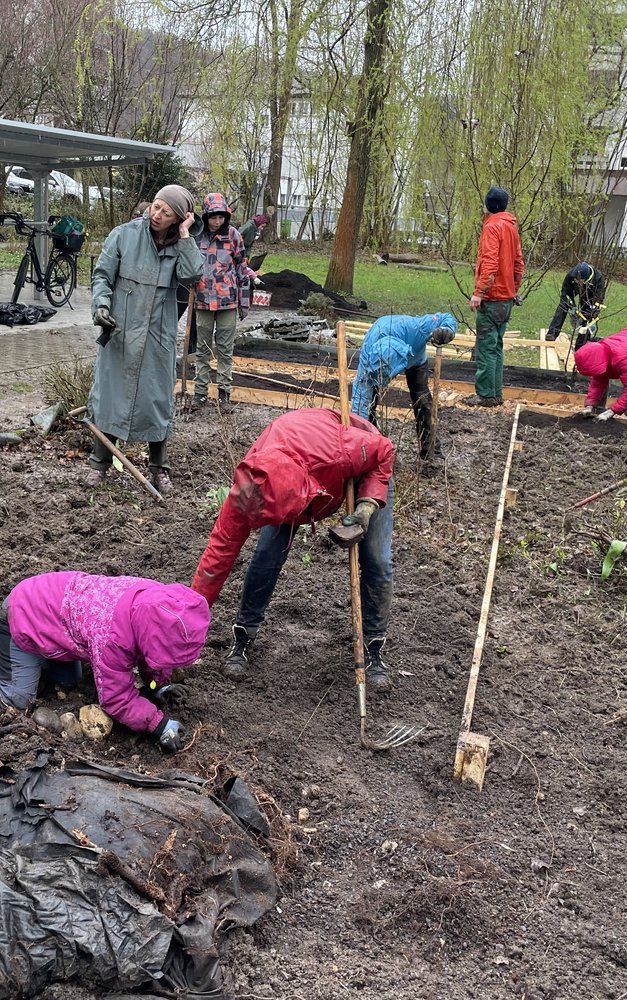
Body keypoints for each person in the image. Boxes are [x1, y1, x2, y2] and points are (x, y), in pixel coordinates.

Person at [191, 407, 396, 688]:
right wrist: (189, 616)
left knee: (377, 560)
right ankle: (244, 634)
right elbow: (219, 553)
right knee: (267, 554)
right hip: (292, 472)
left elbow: (384, 450)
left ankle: (373, 646)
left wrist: (367, 506)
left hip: (365, 465)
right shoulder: (252, 485)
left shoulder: (339, 451)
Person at [0, 573, 208, 752]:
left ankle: (1, 641)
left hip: (53, 611)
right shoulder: (111, 637)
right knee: (16, 699)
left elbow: (152, 652)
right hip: (25, 613)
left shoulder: (152, 600)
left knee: (69, 680)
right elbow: (115, 699)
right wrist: (157, 724)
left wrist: (156, 684)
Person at [88, 184, 202, 494]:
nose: (157, 214)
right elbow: (102, 276)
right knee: (109, 397)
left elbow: (192, 275)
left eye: (167, 213)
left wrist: (185, 235)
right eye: (156, 206)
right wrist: (101, 306)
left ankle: (159, 469)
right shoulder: (123, 235)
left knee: (157, 401)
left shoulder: (180, 245)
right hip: (121, 332)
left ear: (179, 219)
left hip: (158, 337)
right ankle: (99, 465)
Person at [350, 311, 457, 464]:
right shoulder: (368, 360)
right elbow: (359, 400)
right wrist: (357, 432)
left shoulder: (416, 328)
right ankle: (370, 448)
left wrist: (447, 330)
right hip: (376, 361)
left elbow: (445, 318)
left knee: (423, 401)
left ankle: (431, 452)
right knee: (369, 402)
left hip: (416, 359)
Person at [464, 187, 525, 407]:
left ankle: (486, 396)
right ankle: (495, 394)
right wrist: (513, 289)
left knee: (486, 349)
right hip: (506, 299)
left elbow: (489, 263)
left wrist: (478, 293)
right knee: (497, 347)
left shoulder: (492, 227)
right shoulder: (511, 227)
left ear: (488, 205)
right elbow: (519, 264)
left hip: (493, 298)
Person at [192, 192, 252, 411]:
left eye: (220, 217)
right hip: (203, 301)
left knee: (225, 348)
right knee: (203, 348)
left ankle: (224, 393)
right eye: (213, 217)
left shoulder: (233, 236)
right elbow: (188, 264)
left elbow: (242, 270)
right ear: (206, 217)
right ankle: (200, 393)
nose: (217, 221)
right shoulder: (197, 237)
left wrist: (244, 303)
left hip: (228, 301)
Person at [546, 261, 606, 346]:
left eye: (578, 280)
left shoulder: (598, 278)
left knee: (587, 312)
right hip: (573, 289)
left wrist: (593, 314)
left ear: (586, 278)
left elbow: (599, 299)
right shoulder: (571, 275)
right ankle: (552, 333)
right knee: (563, 305)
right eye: (575, 279)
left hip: (590, 294)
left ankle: (582, 340)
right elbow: (565, 293)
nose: (576, 281)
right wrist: (572, 307)